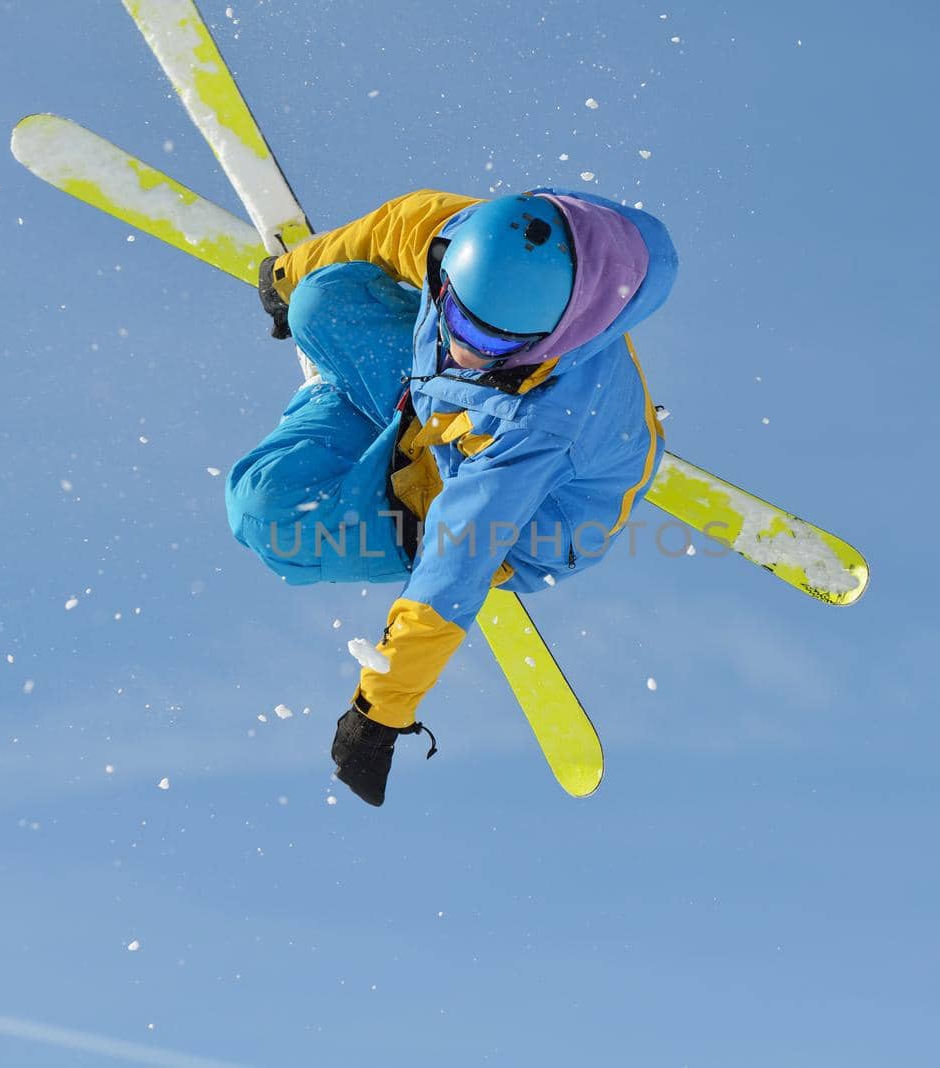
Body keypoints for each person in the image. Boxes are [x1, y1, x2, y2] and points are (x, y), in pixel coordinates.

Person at [229, 188, 677, 805]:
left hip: (528, 528)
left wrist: (379, 713)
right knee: (323, 298)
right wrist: (289, 272)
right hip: (461, 416)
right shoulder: (464, 234)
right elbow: (385, 231)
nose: (465, 347)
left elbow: (459, 553)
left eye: (494, 343)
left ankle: (401, 452)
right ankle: (401, 429)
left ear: (553, 334)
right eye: (460, 319)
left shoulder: (541, 427)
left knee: (272, 523)